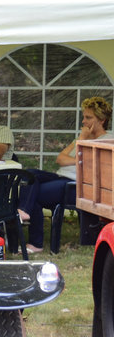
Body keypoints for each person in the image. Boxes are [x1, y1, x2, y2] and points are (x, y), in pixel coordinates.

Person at [19, 96, 114, 253]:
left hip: (76, 185)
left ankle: (35, 241)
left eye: (88, 117)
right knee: (29, 174)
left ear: (102, 120)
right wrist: (79, 149)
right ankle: (24, 211)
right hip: (60, 177)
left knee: (33, 195)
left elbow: (90, 165)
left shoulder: (107, 140)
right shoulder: (83, 136)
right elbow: (60, 159)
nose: (83, 121)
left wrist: (82, 141)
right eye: (84, 117)